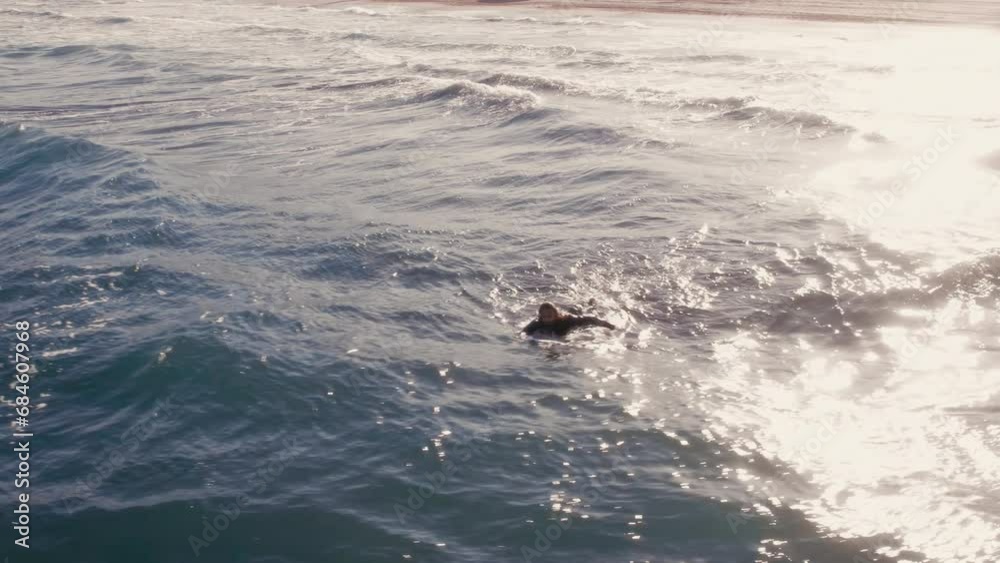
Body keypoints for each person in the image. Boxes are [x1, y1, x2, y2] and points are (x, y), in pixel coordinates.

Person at [522, 303, 616, 338]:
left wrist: (608, 325)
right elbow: (524, 332)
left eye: (549, 316)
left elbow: (590, 319)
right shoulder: (538, 322)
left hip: (574, 314)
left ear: (555, 315)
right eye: (544, 316)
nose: (546, 319)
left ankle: (591, 304)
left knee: (586, 310)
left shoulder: (567, 321)